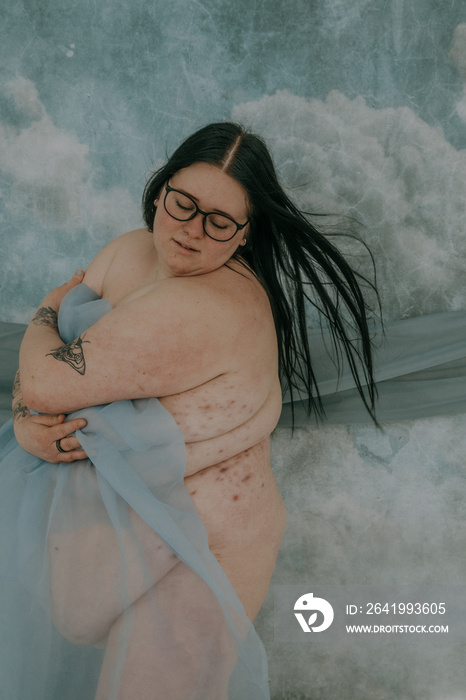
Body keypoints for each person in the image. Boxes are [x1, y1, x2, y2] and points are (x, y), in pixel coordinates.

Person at [3, 122, 377, 699]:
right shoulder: (128, 250)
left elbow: (51, 379)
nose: (191, 230)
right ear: (162, 189)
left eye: (220, 221)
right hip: (134, 529)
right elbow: (41, 387)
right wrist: (26, 420)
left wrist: (45, 311)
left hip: (200, 554)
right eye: (184, 204)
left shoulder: (204, 304)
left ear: (244, 235)